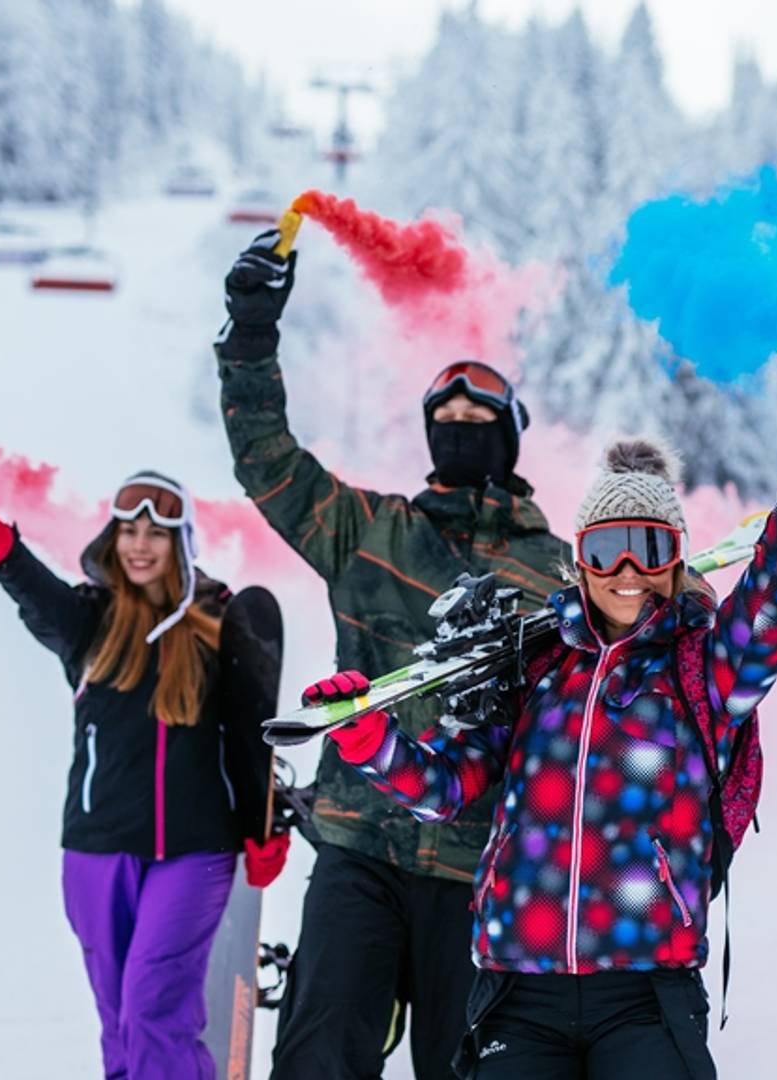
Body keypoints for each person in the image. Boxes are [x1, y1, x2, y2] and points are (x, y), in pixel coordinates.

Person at [300, 386, 777, 1078]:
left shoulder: (706, 672)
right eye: (608, 550)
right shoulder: (534, 668)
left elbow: (775, 592)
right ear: (579, 564)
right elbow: (445, 787)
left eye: (649, 547)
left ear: (675, 561)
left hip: (643, 991)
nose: (628, 571)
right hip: (518, 993)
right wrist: (372, 742)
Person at [215, 228, 570, 1079]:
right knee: (320, 1052)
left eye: (478, 419)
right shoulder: (368, 531)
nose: (458, 429)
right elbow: (267, 461)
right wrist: (250, 333)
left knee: (468, 1067)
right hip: (358, 848)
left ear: (509, 437)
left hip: (479, 863)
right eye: (443, 419)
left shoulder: (558, 570)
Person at [0, 469, 287, 1079]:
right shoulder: (89, 622)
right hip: (97, 851)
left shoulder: (218, 624)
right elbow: (30, 586)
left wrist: (265, 823)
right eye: (129, 531)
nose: (140, 545)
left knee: (153, 1011)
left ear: (182, 543)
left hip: (194, 851)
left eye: (157, 532)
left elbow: (249, 731)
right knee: (120, 1021)